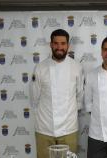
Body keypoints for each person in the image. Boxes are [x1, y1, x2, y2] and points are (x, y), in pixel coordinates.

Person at [30, 29, 84, 158]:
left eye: (63, 43)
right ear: (51, 44)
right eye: (56, 43)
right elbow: (34, 98)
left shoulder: (77, 67)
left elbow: (80, 96)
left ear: (68, 45)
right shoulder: (40, 68)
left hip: (69, 128)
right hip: (44, 128)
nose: (59, 47)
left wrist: (68, 114)